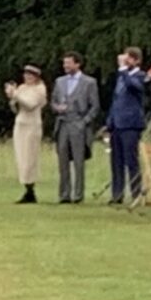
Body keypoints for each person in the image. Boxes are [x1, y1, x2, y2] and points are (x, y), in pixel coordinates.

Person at [50, 53, 100, 205]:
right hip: (62, 124)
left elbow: (95, 106)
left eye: (68, 63)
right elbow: (53, 102)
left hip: (78, 124)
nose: (65, 66)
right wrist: (57, 108)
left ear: (78, 64)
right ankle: (64, 194)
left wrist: (84, 122)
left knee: (79, 162)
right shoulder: (59, 81)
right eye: (64, 63)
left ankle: (78, 195)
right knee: (63, 161)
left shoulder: (89, 82)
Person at [106, 47, 150, 205]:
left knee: (131, 160)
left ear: (137, 60)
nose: (126, 61)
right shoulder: (121, 77)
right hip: (116, 124)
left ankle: (135, 193)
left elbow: (134, 87)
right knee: (116, 161)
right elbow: (116, 100)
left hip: (131, 124)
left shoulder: (141, 76)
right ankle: (117, 194)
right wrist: (110, 121)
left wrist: (123, 69)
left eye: (129, 58)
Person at [4, 64, 48, 204]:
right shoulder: (22, 88)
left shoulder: (40, 89)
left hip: (32, 126)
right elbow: (16, 108)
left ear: (36, 77)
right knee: (21, 156)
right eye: (26, 74)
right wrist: (11, 96)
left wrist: (16, 95)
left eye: (30, 75)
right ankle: (26, 188)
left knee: (30, 158)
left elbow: (30, 104)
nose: (27, 77)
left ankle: (30, 189)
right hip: (21, 124)